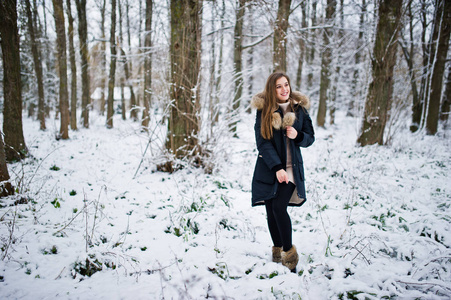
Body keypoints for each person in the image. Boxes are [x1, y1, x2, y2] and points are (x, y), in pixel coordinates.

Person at [251, 72, 315, 272]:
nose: (284, 89)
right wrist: (277, 168)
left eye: (286, 84)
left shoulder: (299, 109)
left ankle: (290, 257)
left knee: (279, 207)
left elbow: (310, 138)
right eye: (278, 86)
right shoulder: (264, 111)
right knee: (271, 210)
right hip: (270, 169)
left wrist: (298, 135)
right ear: (272, 89)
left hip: (292, 169)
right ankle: (277, 255)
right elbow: (263, 143)